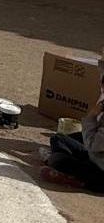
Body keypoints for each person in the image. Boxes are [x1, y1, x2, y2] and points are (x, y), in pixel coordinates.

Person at [42, 58, 103, 191]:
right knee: (58, 138)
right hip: (97, 151)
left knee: (58, 159)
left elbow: (93, 145)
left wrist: (91, 116)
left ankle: (75, 179)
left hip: (99, 165)